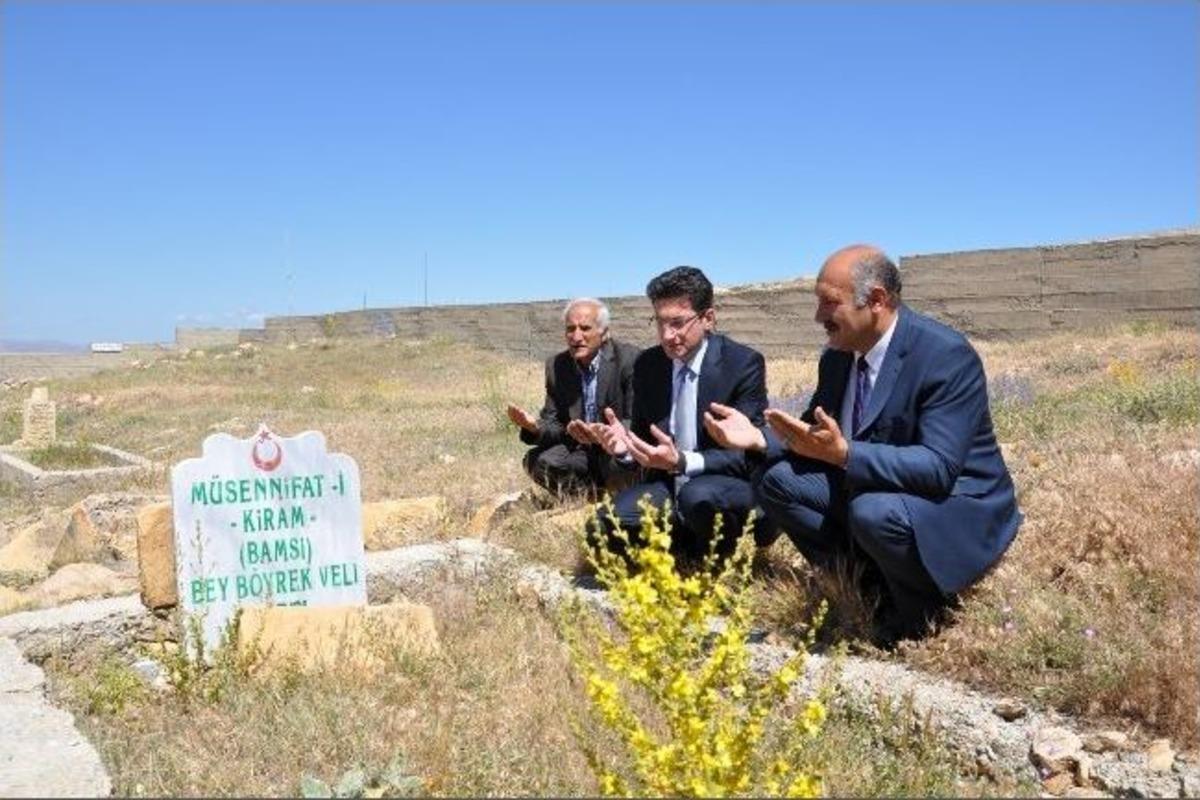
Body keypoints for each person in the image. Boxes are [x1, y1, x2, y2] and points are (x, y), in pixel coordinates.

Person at [704, 244, 1021, 644]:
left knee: (872, 511)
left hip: (955, 502)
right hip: (874, 489)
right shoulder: (838, 357)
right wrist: (757, 437)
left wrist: (846, 454)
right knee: (776, 480)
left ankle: (922, 616)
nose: (818, 316)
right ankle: (868, 589)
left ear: (876, 300)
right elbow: (815, 432)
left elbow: (938, 468)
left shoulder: (944, 355)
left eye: (829, 303)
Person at [588, 266, 769, 559]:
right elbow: (647, 443)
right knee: (601, 527)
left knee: (696, 497)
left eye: (677, 323)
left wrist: (684, 461)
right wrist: (626, 449)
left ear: (708, 319)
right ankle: (677, 550)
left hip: (723, 484)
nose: (667, 335)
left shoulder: (742, 365)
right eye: (660, 323)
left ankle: (717, 557)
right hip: (668, 485)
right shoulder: (648, 365)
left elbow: (748, 456)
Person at [507, 297, 639, 497]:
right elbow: (555, 424)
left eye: (585, 328)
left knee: (619, 465)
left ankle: (619, 497)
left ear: (604, 333)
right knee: (537, 462)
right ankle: (588, 498)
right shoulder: (558, 366)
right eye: (570, 329)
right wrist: (534, 427)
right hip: (581, 451)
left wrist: (607, 435)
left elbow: (636, 420)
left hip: (616, 448)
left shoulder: (630, 360)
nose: (576, 336)